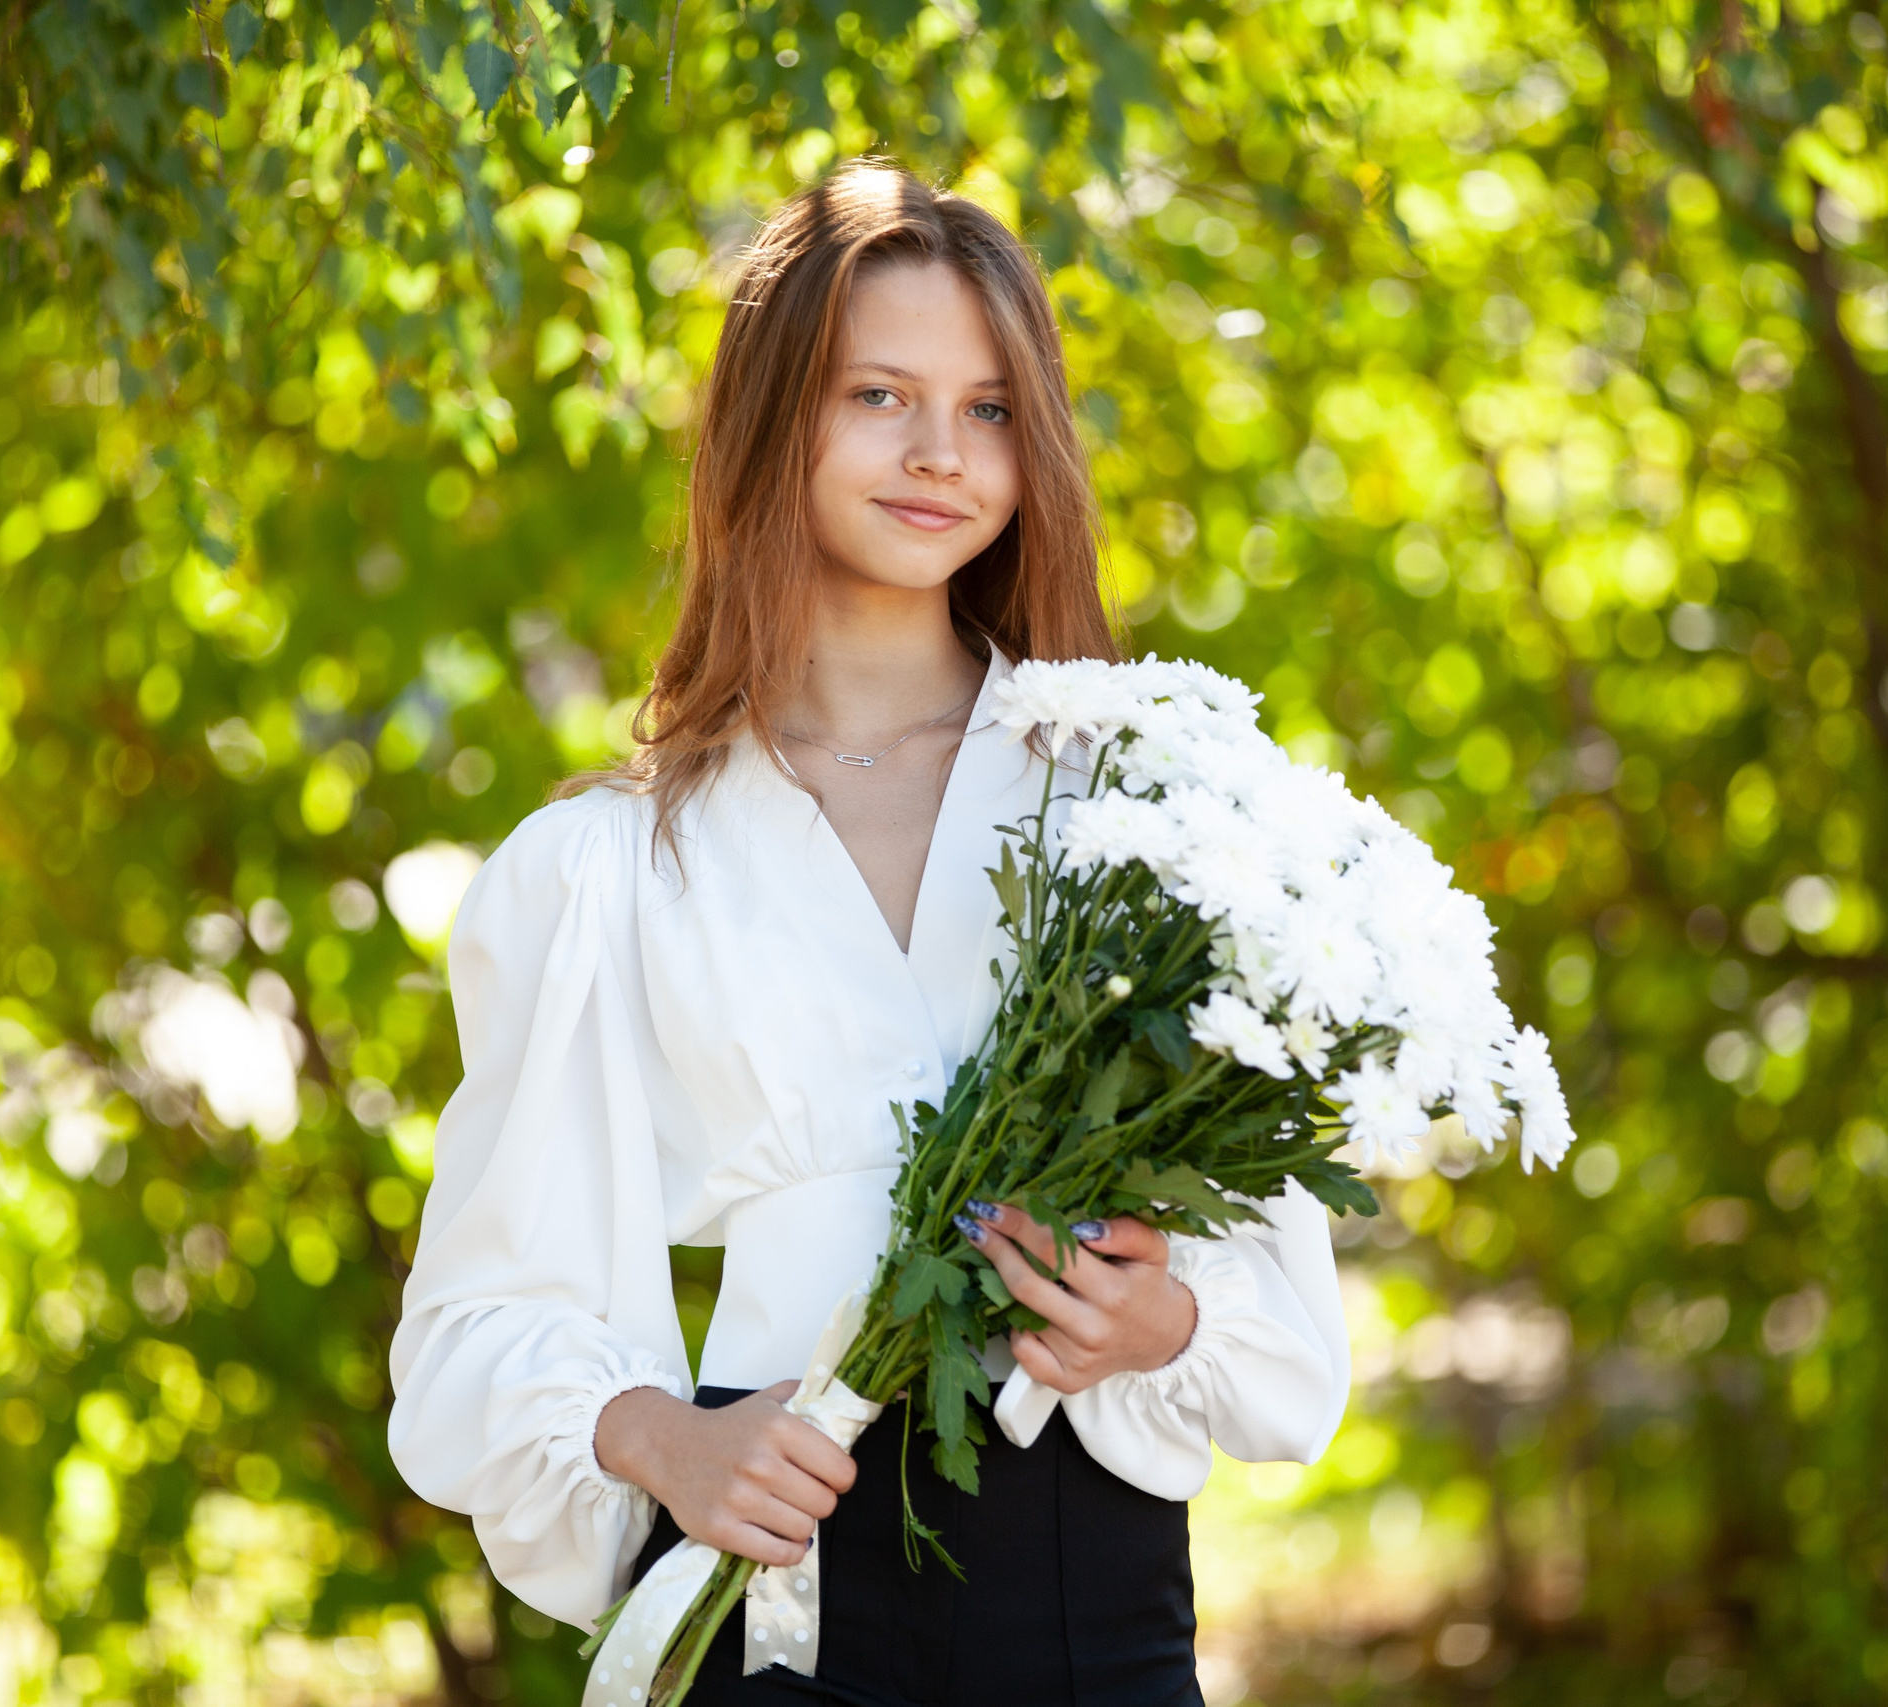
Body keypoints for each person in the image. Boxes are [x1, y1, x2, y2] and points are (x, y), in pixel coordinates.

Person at [388, 159, 1349, 1706]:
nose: (938, 455)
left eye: (987, 410)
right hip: (773, 1576)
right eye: (879, 395)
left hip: (1082, 1586)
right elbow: (479, 1323)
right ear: (776, 420)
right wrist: (663, 1439)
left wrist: (1150, 1319)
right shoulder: (617, 864)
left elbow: (1272, 1315)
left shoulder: (1135, 811)